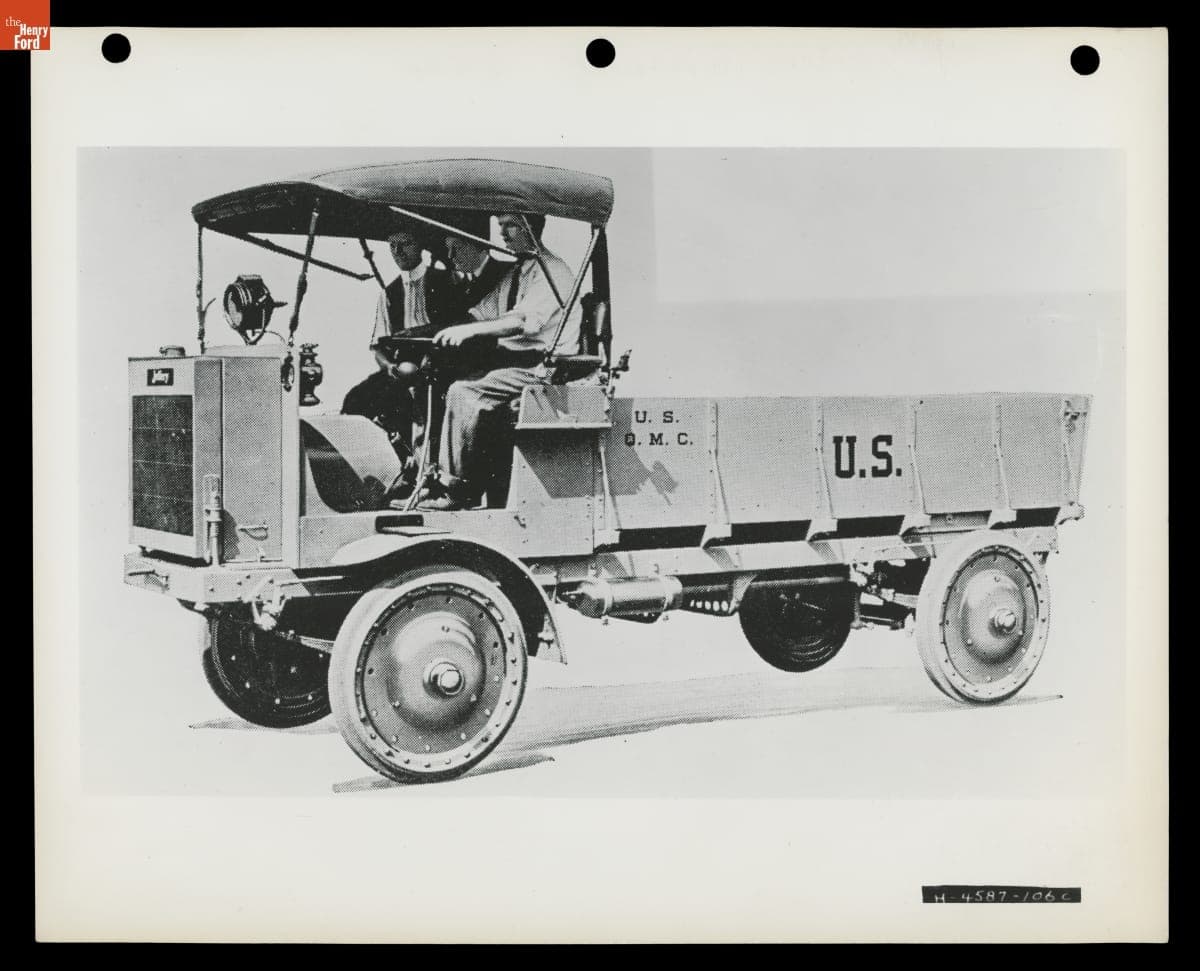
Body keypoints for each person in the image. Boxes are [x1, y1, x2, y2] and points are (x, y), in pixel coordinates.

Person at [419, 212, 582, 510]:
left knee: (464, 392)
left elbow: (521, 322)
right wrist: (422, 334)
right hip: (515, 365)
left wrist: (470, 330)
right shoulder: (517, 273)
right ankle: (427, 476)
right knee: (440, 379)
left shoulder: (553, 272)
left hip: (542, 370)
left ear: (533, 228)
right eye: (501, 226)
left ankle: (457, 491)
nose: (503, 234)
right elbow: (480, 313)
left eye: (511, 225)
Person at [341, 227, 461, 452]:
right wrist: (388, 367)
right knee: (356, 399)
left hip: (442, 364)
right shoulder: (389, 293)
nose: (398, 251)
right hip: (401, 368)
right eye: (392, 246)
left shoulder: (446, 281)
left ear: (419, 246)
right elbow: (377, 346)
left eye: (404, 244)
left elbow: (458, 325)